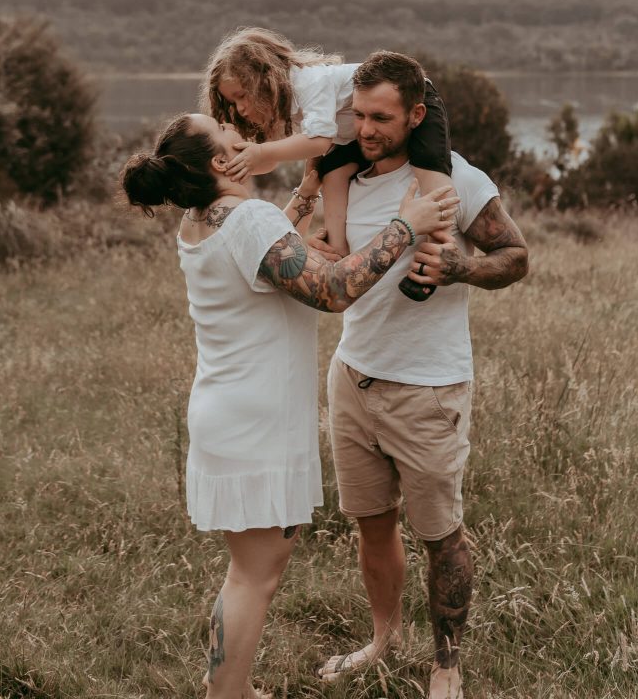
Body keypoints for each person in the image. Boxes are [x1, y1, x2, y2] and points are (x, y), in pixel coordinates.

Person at [119, 111, 457, 699]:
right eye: (233, 141)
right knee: (257, 577)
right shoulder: (246, 219)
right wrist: (406, 224)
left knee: (246, 571)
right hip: (258, 421)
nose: (248, 143)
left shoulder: (200, 220)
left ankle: (233, 687)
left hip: (230, 411)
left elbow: (272, 248)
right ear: (222, 164)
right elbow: (330, 289)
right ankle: (225, 695)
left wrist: (304, 193)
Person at [313, 52, 529, 699]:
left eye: (382, 117)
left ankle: (446, 666)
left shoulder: (456, 178)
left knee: (440, 535)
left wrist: (461, 268)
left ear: (415, 114)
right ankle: (383, 639)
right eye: (360, 114)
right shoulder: (346, 175)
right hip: (352, 376)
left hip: (429, 388)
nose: (368, 128)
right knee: (371, 522)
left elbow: (516, 256)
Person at [202, 26, 453, 300]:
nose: (240, 109)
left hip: (406, 100)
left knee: (430, 171)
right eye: (232, 102)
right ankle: (339, 255)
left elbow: (319, 141)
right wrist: (245, 161)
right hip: (352, 133)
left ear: (265, 79)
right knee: (331, 173)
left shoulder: (311, 82)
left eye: (242, 95)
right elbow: (269, 162)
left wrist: (260, 153)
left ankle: (435, 257)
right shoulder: (281, 106)